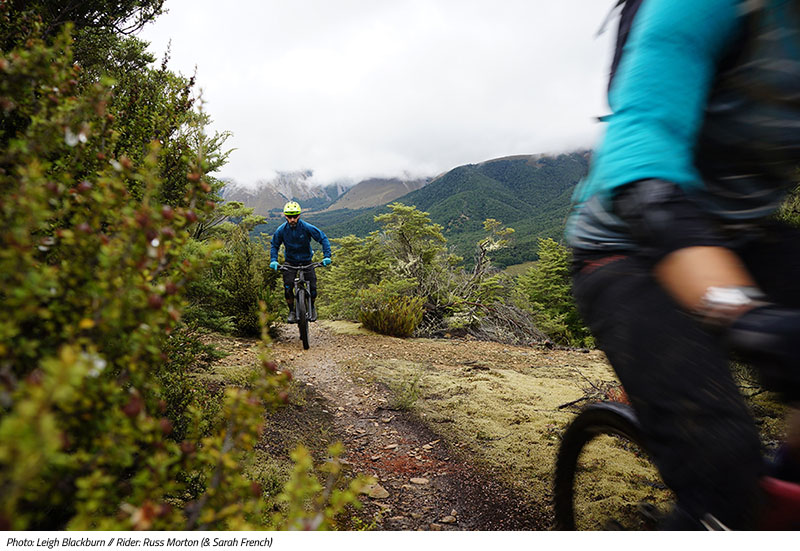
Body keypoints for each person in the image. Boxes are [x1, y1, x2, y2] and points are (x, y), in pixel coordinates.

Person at [565, 0, 800, 529]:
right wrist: (743, 316)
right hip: (628, 243)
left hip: (747, 234)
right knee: (721, 458)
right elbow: (643, 141)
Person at [270, 201, 332, 323]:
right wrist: (274, 260)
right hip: (290, 262)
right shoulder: (281, 230)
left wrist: (327, 256)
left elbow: (323, 238)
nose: (292, 219)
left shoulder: (307, 227)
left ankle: (312, 307)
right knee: (288, 287)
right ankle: (292, 311)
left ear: (299, 215)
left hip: (307, 261)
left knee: (313, 288)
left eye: (295, 216)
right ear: (285, 216)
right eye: (289, 216)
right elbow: (274, 245)